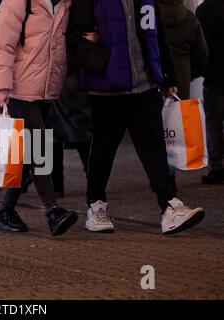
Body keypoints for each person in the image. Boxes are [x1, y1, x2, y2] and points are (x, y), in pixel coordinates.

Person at [69, 0, 205, 234]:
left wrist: (167, 76)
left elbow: (157, 35)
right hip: (107, 89)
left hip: (145, 86)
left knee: (154, 150)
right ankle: (96, 205)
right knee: (103, 149)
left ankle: (169, 205)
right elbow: (73, 37)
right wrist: (101, 61)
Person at [0, 0, 77, 236]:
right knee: (38, 145)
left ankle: (6, 212)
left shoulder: (65, 3)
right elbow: (1, 44)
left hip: (45, 89)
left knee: (28, 154)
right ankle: (52, 211)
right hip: (18, 88)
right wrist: (1, 87)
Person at [47, 65, 92, 198]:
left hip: (50, 80)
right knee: (82, 136)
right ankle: (95, 187)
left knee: (52, 138)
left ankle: (56, 188)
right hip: (74, 81)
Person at [197, 0, 224, 184]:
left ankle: (217, 167)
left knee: (214, 123)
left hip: (215, 74)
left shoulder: (204, 10)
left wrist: (200, 68)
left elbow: (201, 45)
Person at [159, 0, 208, 100]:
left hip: (156, 78)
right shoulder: (191, 19)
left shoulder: (150, 19)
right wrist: (189, 74)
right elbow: (202, 54)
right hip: (182, 78)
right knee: (180, 114)